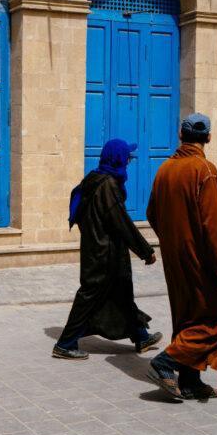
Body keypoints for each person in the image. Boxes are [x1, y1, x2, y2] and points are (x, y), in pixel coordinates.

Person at [146, 113, 217, 400]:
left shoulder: (165, 169)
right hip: (202, 262)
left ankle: (190, 381)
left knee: (187, 318)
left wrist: (174, 242)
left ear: (181, 135)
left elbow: (152, 214)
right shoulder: (204, 170)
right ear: (208, 137)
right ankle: (166, 361)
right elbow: (213, 227)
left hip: (176, 261)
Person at [52, 139, 162, 360]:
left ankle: (141, 336)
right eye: (127, 158)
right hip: (104, 253)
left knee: (122, 294)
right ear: (118, 158)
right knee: (89, 295)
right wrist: (145, 251)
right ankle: (65, 343)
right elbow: (121, 222)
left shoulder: (94, 179)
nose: (129, 162)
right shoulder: (107, 185)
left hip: (100, 248)